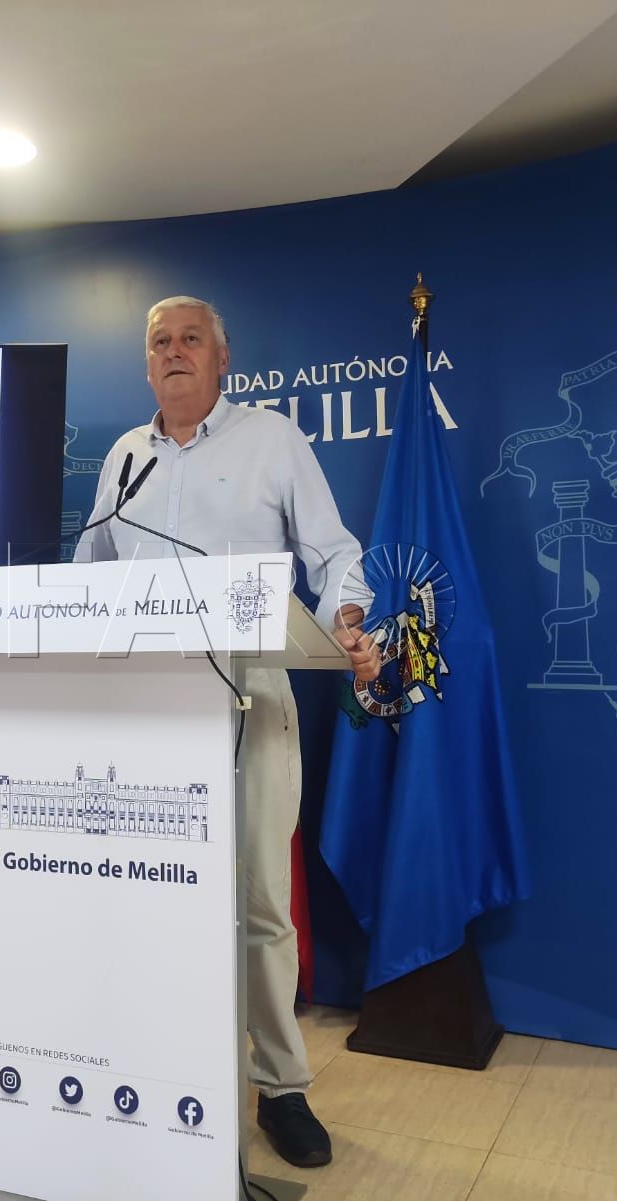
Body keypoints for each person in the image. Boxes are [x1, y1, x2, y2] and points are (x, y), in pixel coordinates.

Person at [75, 296, 382, 1168]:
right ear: (147, 365)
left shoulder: (271, 439)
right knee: (146, 893)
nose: (174, 352)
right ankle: (155, 1067)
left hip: (250, 689)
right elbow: (87, 572)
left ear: (221, 360)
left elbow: (335, 554)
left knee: (260, 902)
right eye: (159, 343)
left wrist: (348, 616)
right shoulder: (125, 457)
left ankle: (280, 1086)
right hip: (142, 698)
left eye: (190, 340)